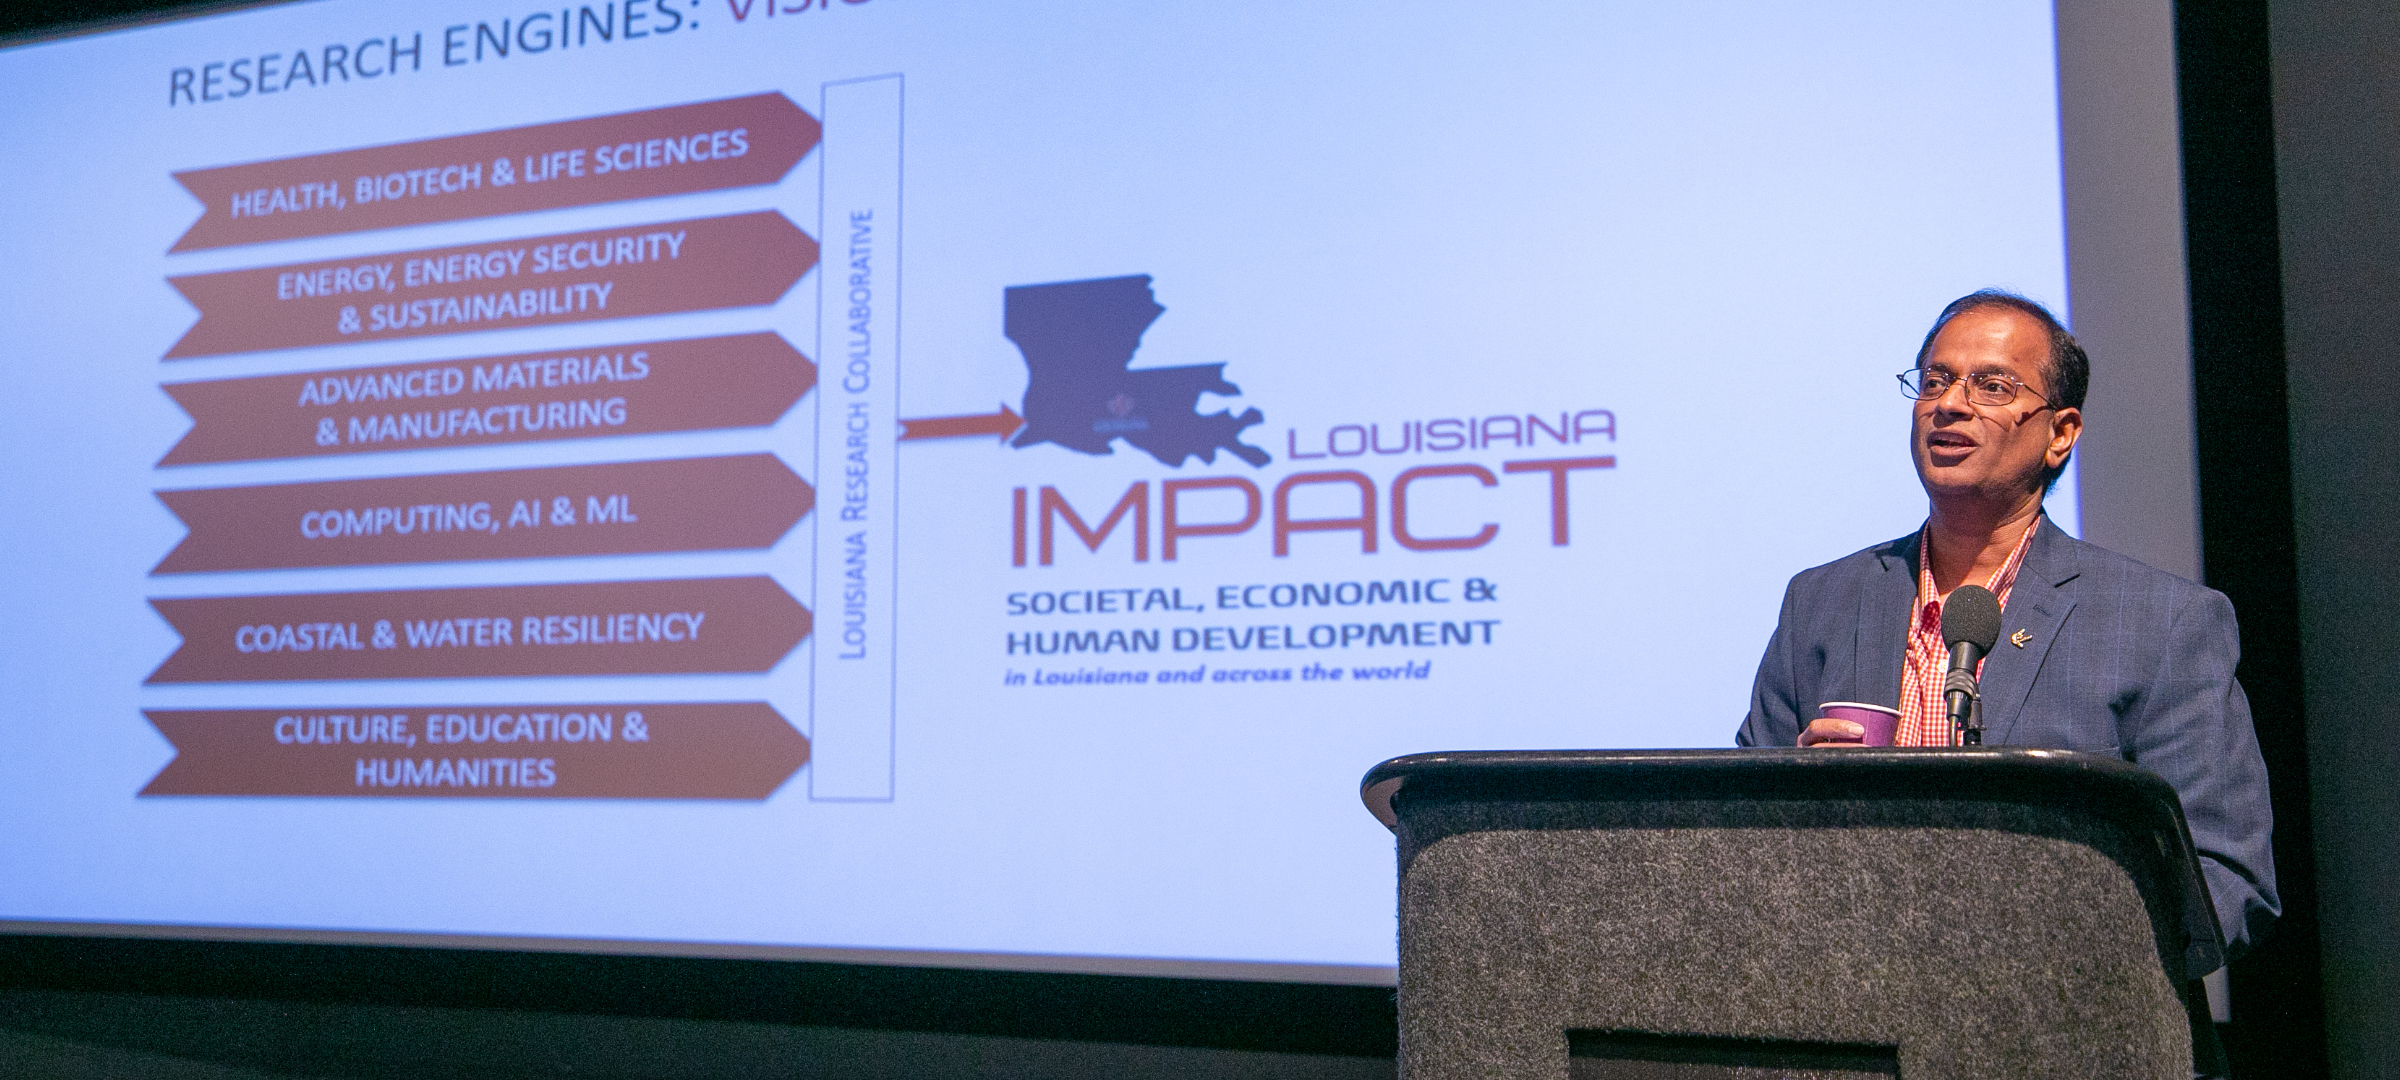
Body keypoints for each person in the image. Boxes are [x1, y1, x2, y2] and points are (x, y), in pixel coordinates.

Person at [1734, 290, 2278, 961]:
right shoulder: (1821, 603)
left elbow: (2227, 878)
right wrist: (1796, 803)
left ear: (2060, 433)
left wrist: (2041, 961)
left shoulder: (2163, 622)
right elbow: (1739, 844)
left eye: (1991, 385)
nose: (1950, 403)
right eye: (1934, 380)